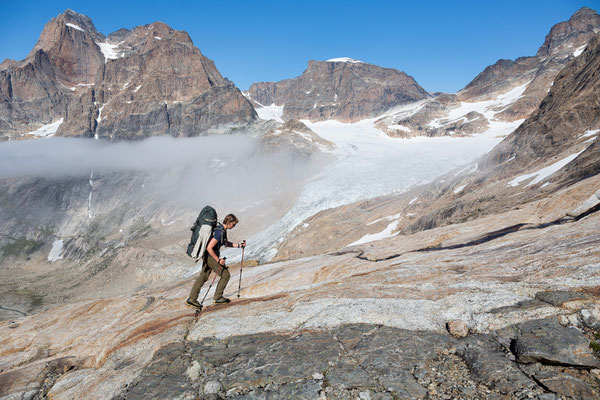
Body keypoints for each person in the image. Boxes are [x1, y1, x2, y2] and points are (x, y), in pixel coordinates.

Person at [186, 214, 245, 308]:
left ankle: (192, 299)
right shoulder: (219, 232)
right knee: (225, 275)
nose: (234, 226)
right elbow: (209, 248)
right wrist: (218, 260)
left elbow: (225, 243)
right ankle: (217, 298)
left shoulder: (220, 230)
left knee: (203, 276)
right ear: (229, 222)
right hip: (210, 257)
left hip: (207, 256)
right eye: (233, 224)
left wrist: (239, 245)